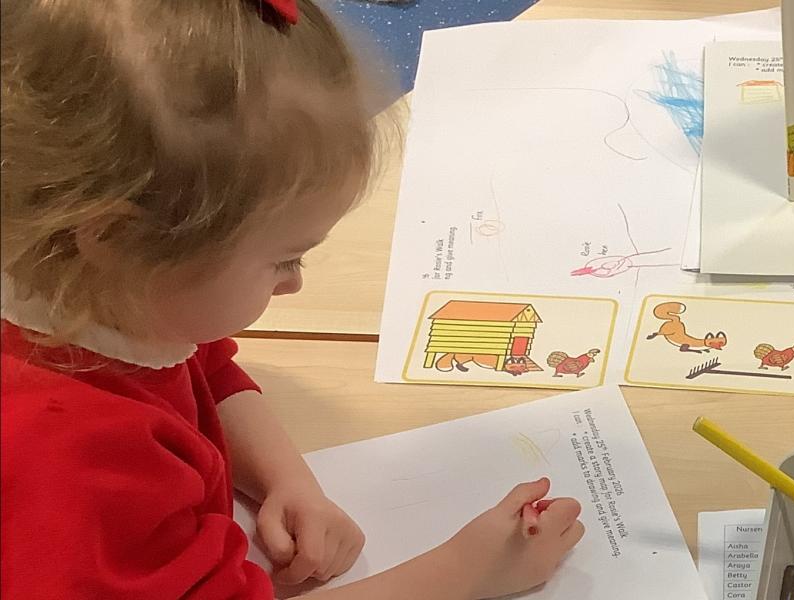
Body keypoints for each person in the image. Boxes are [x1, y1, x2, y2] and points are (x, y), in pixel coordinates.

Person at [1, 1, 585, 597]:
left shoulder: (101, 295)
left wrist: (286, 477)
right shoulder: (77, 465)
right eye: (285, 259)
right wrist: (464, 573)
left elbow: (204, 366)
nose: (294, 286)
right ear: (117, 239)